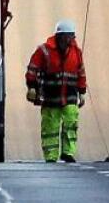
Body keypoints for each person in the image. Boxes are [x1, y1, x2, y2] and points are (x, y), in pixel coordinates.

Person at [26, 20, 87, 163]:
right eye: (69, 36)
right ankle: (51, 157)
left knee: (71, 123)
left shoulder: (76, 52)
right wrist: (32, 87)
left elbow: (81, 72)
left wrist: (82, 92)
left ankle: (68, 152)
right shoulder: (44, 51)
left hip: (70, 97)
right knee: (50, 129)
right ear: (60, 36)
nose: (71, 39)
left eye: (72, 36)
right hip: (51, 99)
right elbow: (32, 69)